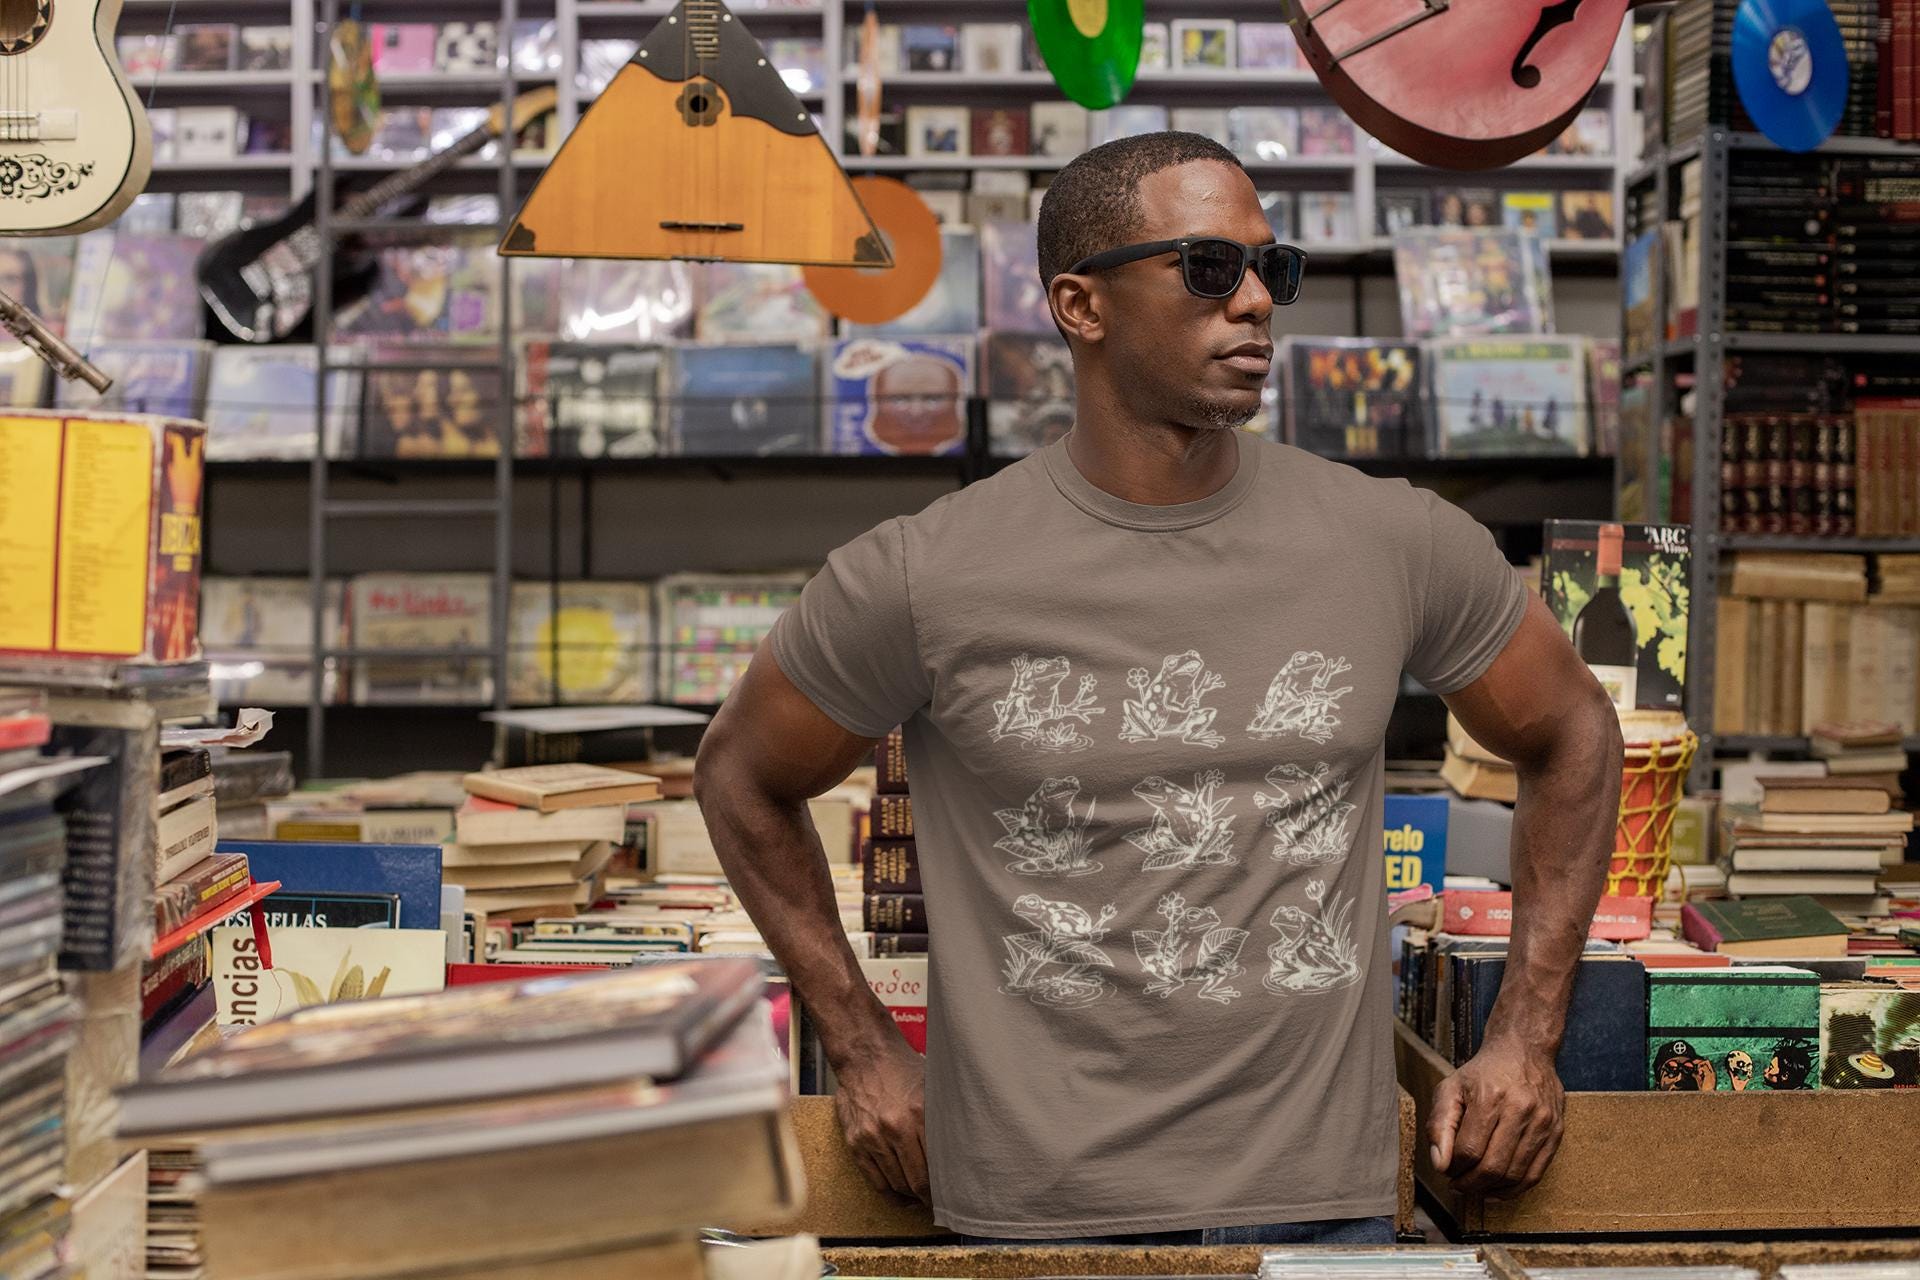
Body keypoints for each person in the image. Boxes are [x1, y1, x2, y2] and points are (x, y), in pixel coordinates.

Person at [694, 131, 1623, 1245]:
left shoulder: (1392, 539)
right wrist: (859, 1045)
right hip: (1038, 1223)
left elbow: (1573, 727)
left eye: (1271, 269)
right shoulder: (923, 573)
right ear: (1079, 305)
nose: (1255, 302)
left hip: (1322, 1211)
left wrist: (1525, 1034)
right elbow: (740, 776)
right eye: (1208, 267)